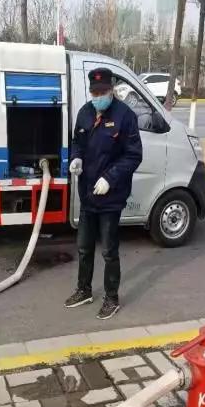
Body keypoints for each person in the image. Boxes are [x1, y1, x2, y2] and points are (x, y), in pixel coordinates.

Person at [64, 67, 143, 320]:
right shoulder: (85, 112)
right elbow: (77, 142)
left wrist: (110, 178)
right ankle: (84, 290)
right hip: (88, 192)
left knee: (109, 250)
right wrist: (76, 158)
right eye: (94, 93)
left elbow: (134, 155)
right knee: (84, 247)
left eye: (102, 92)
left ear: (111, 90)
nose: (98, 97)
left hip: (111, 196)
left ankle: (111, 298)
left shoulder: (125, 116)